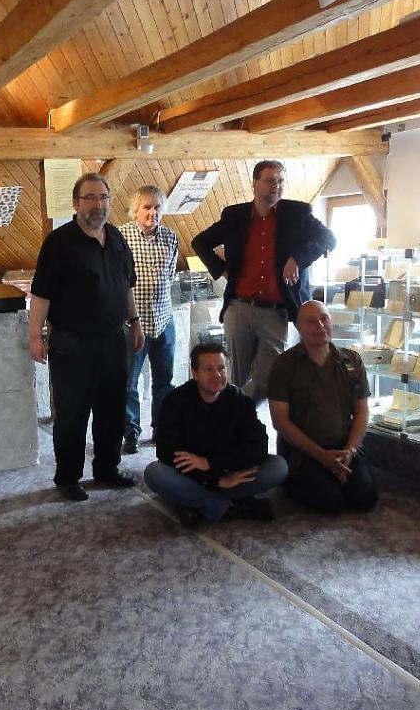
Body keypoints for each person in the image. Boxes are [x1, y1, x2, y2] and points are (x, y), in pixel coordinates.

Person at [29, 172, 145, 502]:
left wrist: (135, 322)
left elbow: (127, 286)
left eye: (103, 197)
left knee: (112, 409)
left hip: (114, 341)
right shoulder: (59, 243)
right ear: (76, 203)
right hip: (72, 344)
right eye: (90, 197)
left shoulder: (117, 238)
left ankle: (107, 468)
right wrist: (35, 335)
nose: (97, 204)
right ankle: (68, 477)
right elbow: (41, 294)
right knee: (72, 413)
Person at [192, 159, 336, 404]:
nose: (276, 186)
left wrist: (297, 259)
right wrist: (224, 271)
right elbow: (200, 242)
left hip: (275, 311)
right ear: (255, 184)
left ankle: (237, 411)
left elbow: (328, 238)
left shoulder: (297, 213)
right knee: (234, 376)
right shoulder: (235, 216)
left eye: (280, 181)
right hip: (239, 307)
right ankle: (234, 422)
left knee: (268, 378)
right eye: (270, 181)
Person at [144, 342, 287, 528]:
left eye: (221, 368)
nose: (217, 375)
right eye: (209, 369)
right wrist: (215, 480)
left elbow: (258, 446)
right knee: (155, 473)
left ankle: (196, 503)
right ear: (195, 374)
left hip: (229, 470)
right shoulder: (175, 401)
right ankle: (233, 506)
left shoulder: (239, 400)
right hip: (195, 476)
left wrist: (212, 464)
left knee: (278, 466)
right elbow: (167, 452)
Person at [267, 300, 378, 513]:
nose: (320, 325)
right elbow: (280, 422)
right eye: (311, 322)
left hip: (343, 447)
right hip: (303, 452)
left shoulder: (351, 360)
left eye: (324, 318)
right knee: (331, 503)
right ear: (299, 328)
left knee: (365, 498)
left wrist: (350, 451)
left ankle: (337, 471)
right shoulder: (284, 365)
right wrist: (322, 457)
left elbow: (362, 411)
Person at [118, 185, 179, 454]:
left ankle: (161, 428)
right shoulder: (121, 236)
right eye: (146, 207)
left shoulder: (170, 237)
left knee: (164, 381)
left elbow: (170, 276)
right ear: (135, 210)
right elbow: (117, 281)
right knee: (128, 383)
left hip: (164, 320)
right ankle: (130, 431)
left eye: (157, 207)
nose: (152, 212)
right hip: (132, 324)